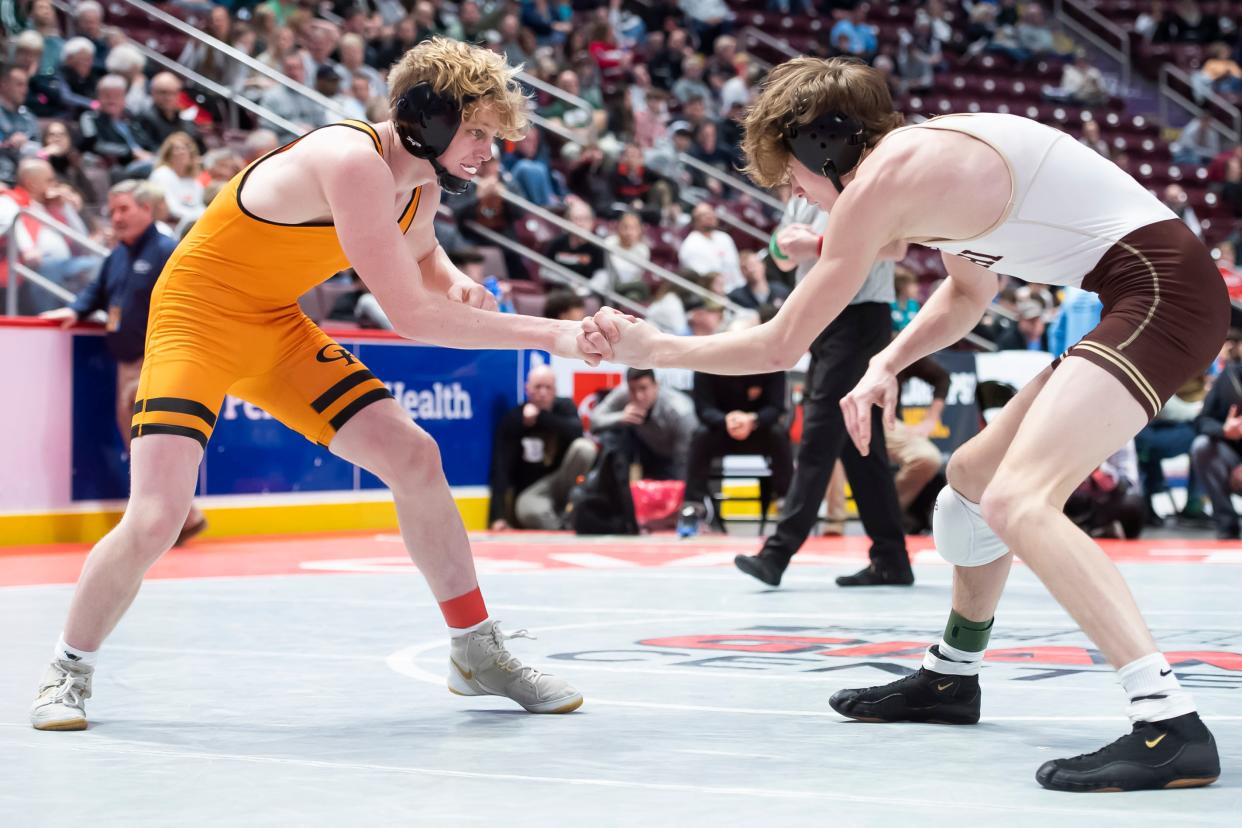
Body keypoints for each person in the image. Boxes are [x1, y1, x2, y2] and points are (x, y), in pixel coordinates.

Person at [593, 55, 1228, 791]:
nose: (794, 193)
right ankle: (951, 677)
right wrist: (886, 362)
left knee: (1017, 501)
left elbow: (780, 343)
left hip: (1161, 291)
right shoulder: (922, 171)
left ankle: (1168, 722)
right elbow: (966, 296)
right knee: (969, 482)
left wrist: (653, 347)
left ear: (820, 146)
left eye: (791, 175)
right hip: (1147, 290)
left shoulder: (885, 180)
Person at [30, 37, 614, 734]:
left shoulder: (419, 184)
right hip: (198, 319)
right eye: (479, 131)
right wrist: (553, 334)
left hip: (274, 323)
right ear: (428, 118)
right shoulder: (353, 161)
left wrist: (457, 279)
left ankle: (476, 651)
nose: (490, 150)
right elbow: (412, 317)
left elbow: (424, 260)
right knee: (157, 514)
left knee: (414, 457)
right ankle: (67, 671)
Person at [733, 190, 911, 587]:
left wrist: (813, 244)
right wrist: (783, 247)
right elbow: (781, 257)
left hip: (860, 316)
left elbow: (897, 246)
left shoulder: (867, 185)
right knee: (860, 443)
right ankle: (892, 557)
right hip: (820, 317)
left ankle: (777, 554)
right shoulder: (800, 197)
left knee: (818, 433)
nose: (792, 181)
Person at [39, 180, 206, 542]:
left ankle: (170, 517)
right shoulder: (117, 256)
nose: (116, 217)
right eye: (112, 210)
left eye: (124, 209)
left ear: (148, 209)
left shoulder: (166, 250)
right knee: (139, 443)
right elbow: (96, 292)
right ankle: (184, 515)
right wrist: (75, 309)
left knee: (150, 440)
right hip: (126, 361)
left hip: (157, 358)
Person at [681, 364, 793, 531]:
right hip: (720, 429)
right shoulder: (707, 362)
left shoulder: (771, 361)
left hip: (758, 430)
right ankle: (694, 506)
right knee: (700, 436)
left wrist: (752, 420)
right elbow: (703, 408)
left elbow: (776, 407)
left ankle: (786, 501)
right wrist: (726, 420)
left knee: (779, 434)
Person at [488, 365, 598, 530]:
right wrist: (497, 517)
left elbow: (576, 432)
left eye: (548, 387)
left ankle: (572, 515)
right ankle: (564, 527)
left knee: (584, 448)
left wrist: (541, 417)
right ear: (527, 389)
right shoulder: (513, 419)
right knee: (529, 510)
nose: (543, 392)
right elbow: (501, 467)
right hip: (533, 491)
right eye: (537, 387)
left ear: (555, 390)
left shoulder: (565, 407)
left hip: (563, 482)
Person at [591, 368, 698, 481]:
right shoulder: (624, 392)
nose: (638, 396)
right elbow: (594, 421)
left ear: (656, 385)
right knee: (612, 435)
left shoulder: (680, 411)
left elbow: (684, 460)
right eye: (632, 390)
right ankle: (615, 490)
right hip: (641, 447)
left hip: (672, 455)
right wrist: (621, 417)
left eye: (643, 388)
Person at [1190, 340, 1242, 539]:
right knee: (1202, 446)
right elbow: (1201, 420)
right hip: (1231, 458)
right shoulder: (1229, 377)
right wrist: (1224, 430)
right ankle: (1226, 523)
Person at [678, 202, 742, 292]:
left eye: (711, 213)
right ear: (695, 221)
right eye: (704, 215)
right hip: (712, 294)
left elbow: (736, 269)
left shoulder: (725, 238)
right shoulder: (691, 245)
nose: (710, 216)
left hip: (737, 290)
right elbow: (703, 279)